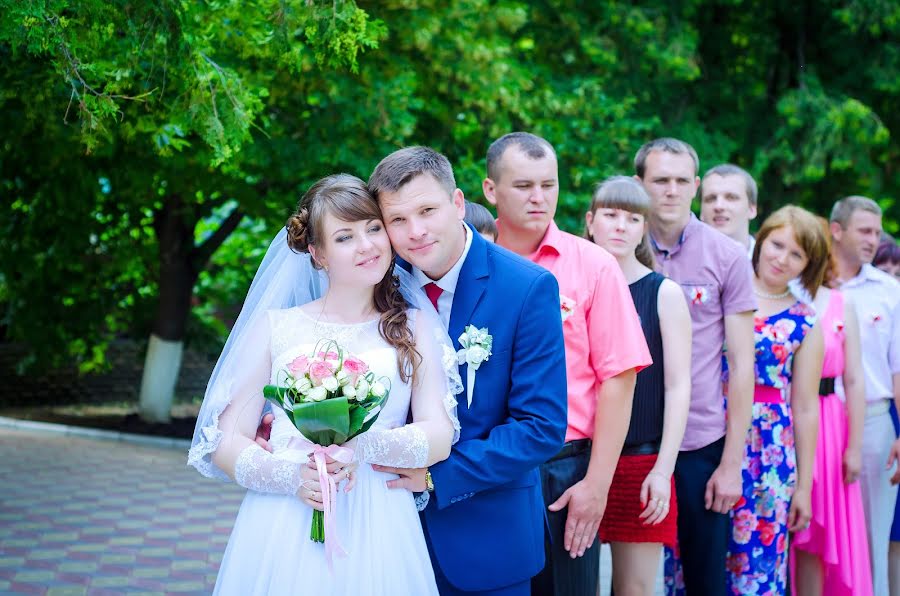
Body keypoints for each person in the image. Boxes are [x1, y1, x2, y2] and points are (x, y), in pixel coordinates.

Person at [187, 174, 460, 595]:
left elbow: (439, 435)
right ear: (318, 254)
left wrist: (359, 448)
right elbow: (223, 441)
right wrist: (292, 477)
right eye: (345, 237)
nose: (368, 245)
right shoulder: (276, 328)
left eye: (373, 229)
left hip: (380, 514)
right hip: (286, 515)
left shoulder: (415, 326)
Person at [367, 146, 569, 595]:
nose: (415, 232)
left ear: (457, 203)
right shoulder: (372, 285)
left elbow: (541, 426)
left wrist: (437, 476)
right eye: (397, 220)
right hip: (382, 534)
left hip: (488, 538)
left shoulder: (527, 287)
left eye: (427, 210)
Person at [482, 132, 652, 596]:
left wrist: (596, 485)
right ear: (490, 190)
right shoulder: (469, 260)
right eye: (523, 186)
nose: (539, 198)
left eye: (549, 185)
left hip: (563, 468)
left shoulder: (594, 265)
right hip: (481, 464)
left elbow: (619, 379)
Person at [633, 137, 757, 596]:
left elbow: (743, 366)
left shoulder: (727, 257)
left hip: (700, 442)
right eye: (660, 180)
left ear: (696, 185)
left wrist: (731, 463)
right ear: (638, 184)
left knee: (706, 578)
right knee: (635, 581)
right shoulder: (616, 247)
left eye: (682, 180)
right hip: (629, 440)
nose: (671, 190)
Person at [584, 176, 692, 596]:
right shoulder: (565, 285)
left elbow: (679, 387)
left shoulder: (663, 293)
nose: (620, 226)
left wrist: (663, 469)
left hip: (640, 461)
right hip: (577, 461)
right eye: (610, 215)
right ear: (591, 221)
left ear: (643, 228)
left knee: (636, 588)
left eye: (632, 218)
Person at [723, 205, 825, 594]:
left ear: (808, 265)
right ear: (761, 240)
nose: (782, 258)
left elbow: (804, 407)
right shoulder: (724, 290)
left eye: (796, 253)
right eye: (777, 244)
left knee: (756, 564)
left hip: (768, 450)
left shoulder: (805, 320)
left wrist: (803, 486)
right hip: (709, 430)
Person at [792, 216, 872, 596]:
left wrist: (853, 446)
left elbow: (854, 378)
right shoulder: (780, 297)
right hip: (783, 418)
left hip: (829, 421)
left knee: (820, 531)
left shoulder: (841, 303)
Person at [829, 196, 900, 596]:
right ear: (837, 231)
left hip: (874, 421)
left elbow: (898, 368)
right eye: (865, 231)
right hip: (817, 418)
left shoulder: (889, 291)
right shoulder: (805, 285)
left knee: (874, 532)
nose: (874, 239)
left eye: (877, 231)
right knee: (818, 531)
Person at [699, 164, 759, 257]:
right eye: (711, 198)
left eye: (731, 198)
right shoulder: (683, 261)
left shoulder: (771, 263)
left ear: (752, 210)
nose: (719, 206)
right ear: (702, 212)